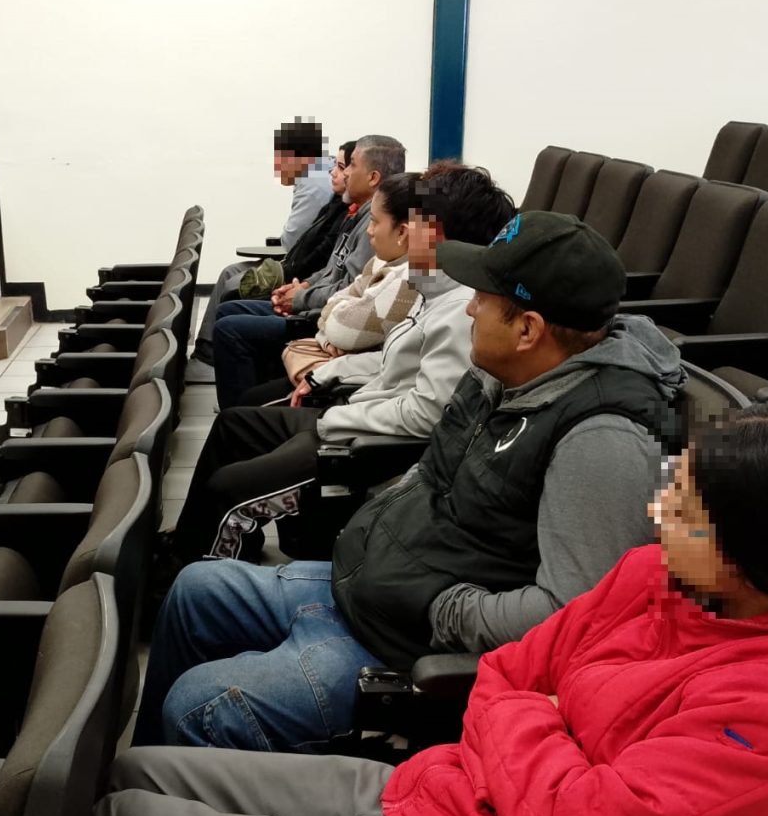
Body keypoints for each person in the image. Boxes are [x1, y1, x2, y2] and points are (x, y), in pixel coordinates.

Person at [88, 404, 768, 816]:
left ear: (749, 558)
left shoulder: (759, 710)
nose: (656, 515)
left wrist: (533, 711)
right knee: (135, 773)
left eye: (684, 513)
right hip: (448, 796)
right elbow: (507, 670)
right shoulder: (652, 576)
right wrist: (546, 724)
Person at [133, 211, 686, 749]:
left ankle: (170, 794)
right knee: (194, 591)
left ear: (527, 329)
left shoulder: (601, 439)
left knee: (197, 706)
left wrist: (438, 609)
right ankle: (136, 789)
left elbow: (570, 615)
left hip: (409, 646)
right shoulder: (502, 376)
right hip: (376, 589)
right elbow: (432, 473)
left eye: (483, 299)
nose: (468, 308)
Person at [162, 165, 514, 569]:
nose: (403, 231)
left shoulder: (460, 309)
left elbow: (428, 413)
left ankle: (195, 575)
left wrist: (338, 417)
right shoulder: (433, 283)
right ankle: (188, 543)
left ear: (433, 232)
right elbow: (391, 361)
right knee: (234, 427)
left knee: (229, 489)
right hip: (363, 415)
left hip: (374, 444)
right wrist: (329, 374)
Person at [212, 135, 405, 407]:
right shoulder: (356, 214)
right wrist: (302, 287)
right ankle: (245, 405)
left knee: (229, 328)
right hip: (318, 309)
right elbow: (331, 269)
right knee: (228, 310)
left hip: (319, 318)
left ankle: (241, 412)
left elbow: (348, 292)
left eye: (349, 165)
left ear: (373, 177)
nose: (342, 173)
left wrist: (300, 298)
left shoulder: (372, 227)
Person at [184, 123, 339, 383]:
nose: (276, 167)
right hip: (305, 266)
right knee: (231, 273)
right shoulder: (318, 175)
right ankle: (207, 354)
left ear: (297, 156)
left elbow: (291, 239)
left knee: (233, 279)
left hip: (304, 274)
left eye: (280, 158)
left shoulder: (312, 181)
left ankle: (208, 357)